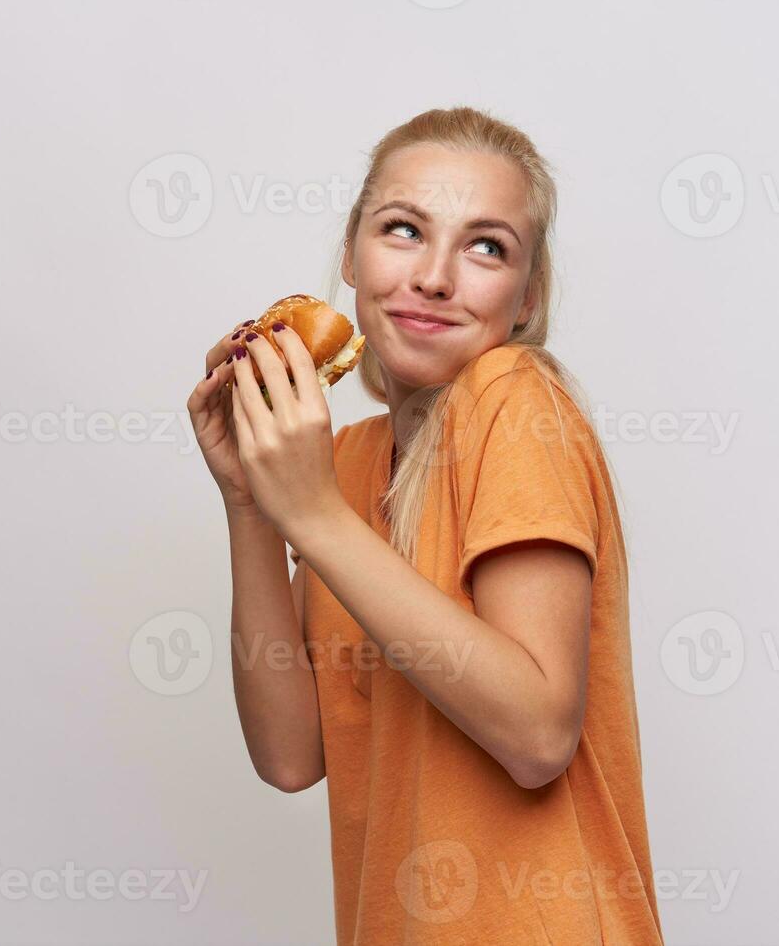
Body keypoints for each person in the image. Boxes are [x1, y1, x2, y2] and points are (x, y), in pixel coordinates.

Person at [185, 106, 663, 945]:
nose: (436, 277)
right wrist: (255, 506)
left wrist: (313, 514)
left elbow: (540, 732)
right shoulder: (353, 458)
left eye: (487, 247)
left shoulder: (515, 402)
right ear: (350, 254)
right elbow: (291, 756)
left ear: (529, 295)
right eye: (403, 229)